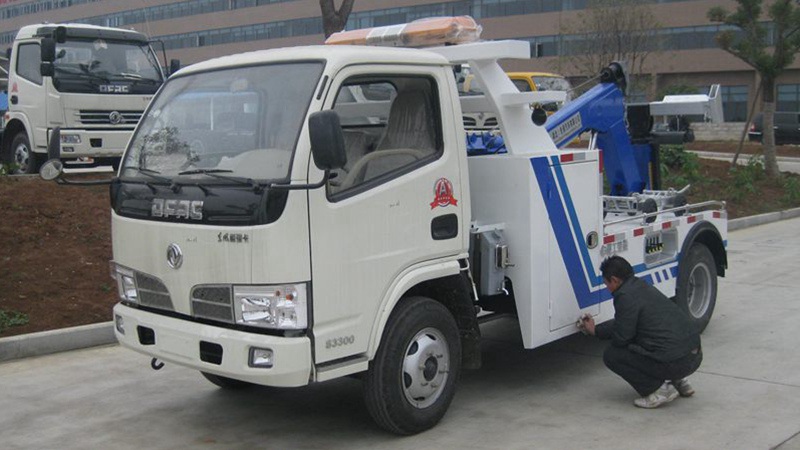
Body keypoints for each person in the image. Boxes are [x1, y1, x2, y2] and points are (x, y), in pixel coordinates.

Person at [578, 255, 702, 409]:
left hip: (676, 363)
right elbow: (625, 323)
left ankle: (658, 391)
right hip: (694, 355)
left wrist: (596, 332)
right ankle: (679, 381)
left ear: (614, 280)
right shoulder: (642, 286)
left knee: (613, 355)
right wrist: (597, 330)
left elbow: (622, 337)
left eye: (606, 283)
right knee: (655, 339)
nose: (607, 288)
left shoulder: (624, 296)